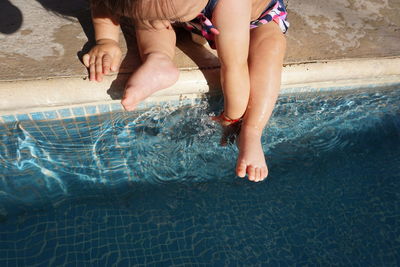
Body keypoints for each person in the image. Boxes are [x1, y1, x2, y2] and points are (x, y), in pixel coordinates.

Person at [82, 0, 289, 182]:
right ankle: (158, 59)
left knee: (270, 45)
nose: (168, 21)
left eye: (172, 17)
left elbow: (235, 67)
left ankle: (252, 132)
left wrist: (231, 118)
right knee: (148, 16)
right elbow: (102, 2)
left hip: (254, 21)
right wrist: (106, 40)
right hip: (195, 14)